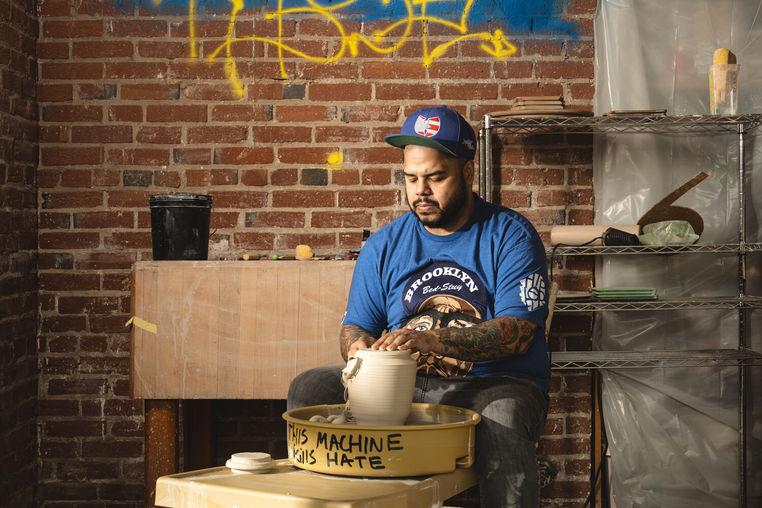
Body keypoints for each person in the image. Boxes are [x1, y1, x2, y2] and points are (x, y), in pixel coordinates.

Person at [287, 105, 550, 507]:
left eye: (435, 177)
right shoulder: (383, 245)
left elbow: (518, 333)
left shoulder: (511, 235)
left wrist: (429, 341)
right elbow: (356, 325)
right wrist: (360, 353)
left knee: (504, 413)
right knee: (311, 386)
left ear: (467, 171)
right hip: (404, 385)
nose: (420, 191)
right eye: (411, 178)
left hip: (494, 385)